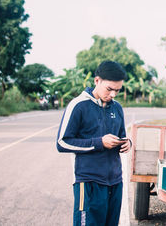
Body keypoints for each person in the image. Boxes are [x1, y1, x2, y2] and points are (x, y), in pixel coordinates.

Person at [56, 61, 132, 226]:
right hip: (89, 182)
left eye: (117, 91)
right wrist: (99, 143)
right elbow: (62, 142)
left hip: (115, 182)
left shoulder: (117, 108)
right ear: (97, 81)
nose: (113, 95)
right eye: (109, 89)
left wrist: (127, 143)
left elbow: (121, 136)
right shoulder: (78, 105)